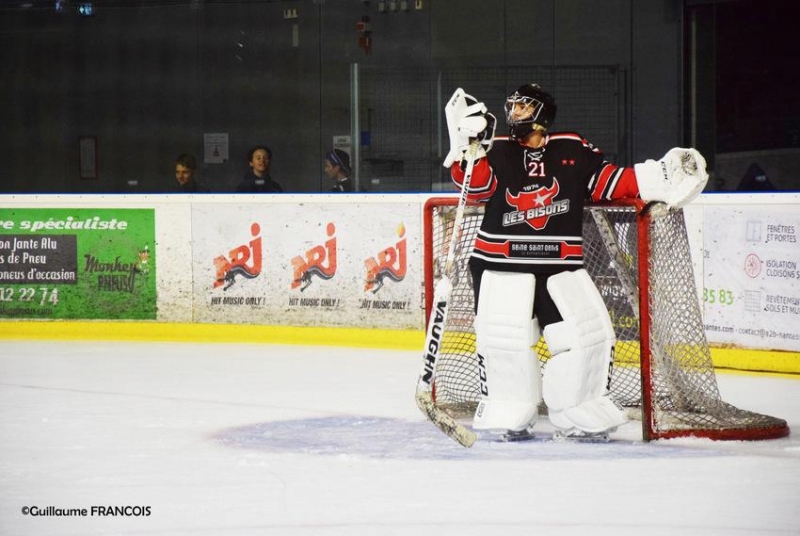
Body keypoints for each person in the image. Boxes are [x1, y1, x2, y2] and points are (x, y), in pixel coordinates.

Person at [444, 85, 708, 441]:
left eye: (523, 107)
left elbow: (605, 182)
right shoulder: (496, 148)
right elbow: (475, 189)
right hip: (501, 261)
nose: (515, 113)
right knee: (504, 339)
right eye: (513, 107)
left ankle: (578, 413)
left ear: (543, 113)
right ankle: (509, 412)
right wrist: (467, 149)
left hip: (559, 263)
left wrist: (656, 177)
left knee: (588, 337)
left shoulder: (571, 145)